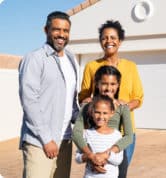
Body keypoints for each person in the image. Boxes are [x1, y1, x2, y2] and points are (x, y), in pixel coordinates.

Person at [18, 11, 79, 178]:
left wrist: (85, 118)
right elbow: (29, 102)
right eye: (56, 29)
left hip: (66, 141)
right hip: (40, 143)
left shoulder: (71, 59)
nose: (61, 35)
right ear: (46, 30)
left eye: (66, 31)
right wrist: (46, 139)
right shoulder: (34, 58)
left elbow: (71, 102)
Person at [79, 20, 144, 165]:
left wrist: (122, 107)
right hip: (99, 131)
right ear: (101, 41)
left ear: (120, 41)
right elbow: (83, 97)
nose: (109, 41)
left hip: (125, 132)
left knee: (120, 172)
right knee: (98, 169)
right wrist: (92, 104)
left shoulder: (130, 67)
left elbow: (138, 98)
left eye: (113, 37)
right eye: (104, 38)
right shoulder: (91, 67)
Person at [73, 65, 133, 177]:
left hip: (115, 156)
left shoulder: (123, 107)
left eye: (113, 84)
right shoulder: (87, 105)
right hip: (93, 153)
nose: (108, 88)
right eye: (104, 83)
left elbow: (129, 136)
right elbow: (76, 133)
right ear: (97, 84)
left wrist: (106, 154)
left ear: (118, 85)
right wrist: (91, 156)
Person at [75, 95, 123, 178]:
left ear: (111, 113)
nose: (101, 117)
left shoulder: (117, 135)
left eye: (105, 113)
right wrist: (90, 157)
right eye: (97, 112)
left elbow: (118, 160)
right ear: (92, 112)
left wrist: (104, 156)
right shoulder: (87, 134)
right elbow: (78, 158)